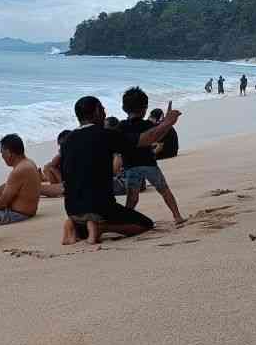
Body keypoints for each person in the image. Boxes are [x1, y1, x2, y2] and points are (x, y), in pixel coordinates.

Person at [58, 95, 181, 245]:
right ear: (97, 111)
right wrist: (169, 122)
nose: (105, 112)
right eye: (102, 109)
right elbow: (146, 139)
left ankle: (75, 224)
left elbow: (64, 179)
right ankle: (101, 227)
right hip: (100, 207)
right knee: (144, 224)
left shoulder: (67, 141)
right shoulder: (105, 135)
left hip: (72, 208)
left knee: (88, 219)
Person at [119, 88, 186, 226]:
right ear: (145, 108)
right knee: (164, 190)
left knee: (132, 197)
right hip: (148, 163)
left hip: (130, 166)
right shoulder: (148, 125)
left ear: (124, 108)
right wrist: (167, 121)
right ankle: (177, 216)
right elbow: (159, 134)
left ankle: (125, 220)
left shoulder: (121, 126)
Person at [0, 134, 41, 225]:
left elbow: (2, 203)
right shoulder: (28, 163)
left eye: (2, 153)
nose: (2, 156)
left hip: (17, 215)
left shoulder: (20, 170)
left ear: (8, 153)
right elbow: (8, 186)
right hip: (24, 212)